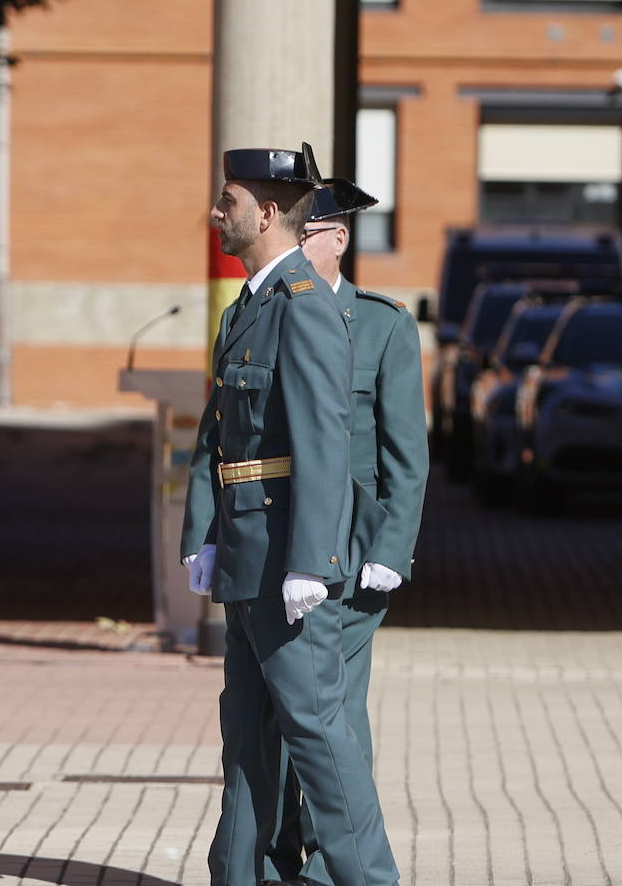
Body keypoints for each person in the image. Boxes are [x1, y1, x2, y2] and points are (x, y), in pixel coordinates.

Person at [179, 146, 399, 886]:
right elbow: (222, 438)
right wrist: (206, 533)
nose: (217, 212)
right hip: (248, 552)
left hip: (287, 560)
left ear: (268, 213)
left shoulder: (304, 306)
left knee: (316, 730)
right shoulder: (251, 305)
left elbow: (323, 448)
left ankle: (368, 878)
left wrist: (313, 560)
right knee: (245, 730)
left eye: (229, 200)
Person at [261, 179, 429, 885]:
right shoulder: (266, 313)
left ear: (336, 239)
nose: (291, 254)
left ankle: (337, 868)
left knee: (334, 716)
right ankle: (275, 858)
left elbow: (405, 454)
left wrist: (393, 548)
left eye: (302, 240)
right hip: (274, 542)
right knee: (272, 716)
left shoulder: (384, 324)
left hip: (354, 553)